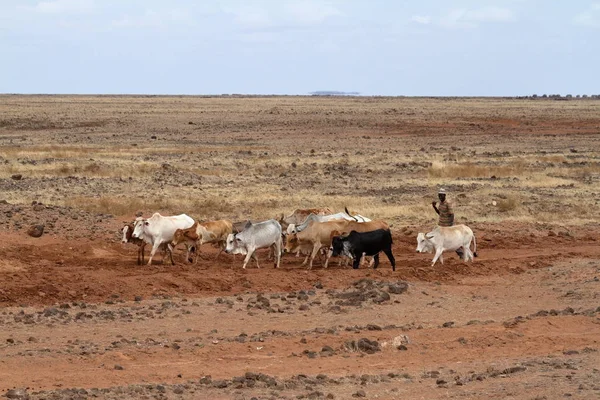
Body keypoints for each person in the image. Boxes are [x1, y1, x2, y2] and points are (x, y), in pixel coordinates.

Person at [432, 188, 464, 258]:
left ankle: (461, 253)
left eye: (441, 195)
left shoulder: (448, 203)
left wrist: (451, 225)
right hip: (441, 225)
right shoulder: (440, 203)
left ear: (445, 195)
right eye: (439, 195)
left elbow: (451, 214)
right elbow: (440, 213)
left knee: (451, 241)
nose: (440, 197)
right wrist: (434, 207)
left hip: (447, 225)